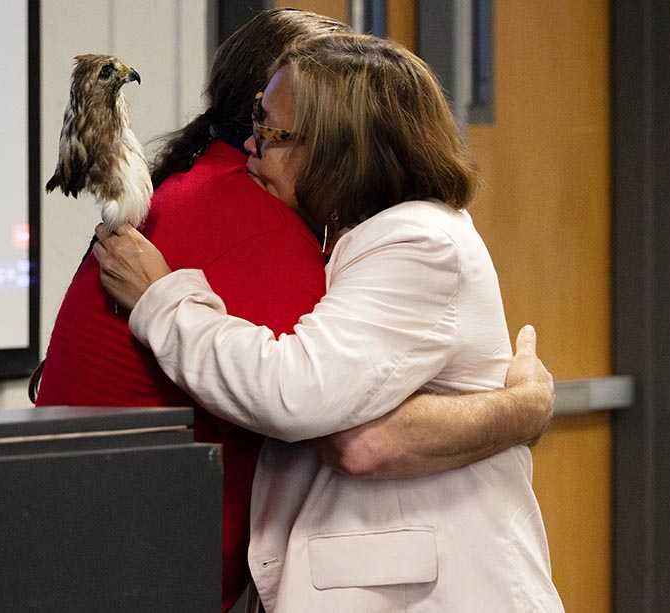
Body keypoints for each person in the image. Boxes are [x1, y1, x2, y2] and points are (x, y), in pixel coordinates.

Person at [93, 32, 563, 612]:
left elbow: (301, 397)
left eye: (272, 132)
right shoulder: (357, 233)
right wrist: (521, 409)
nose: (250, 147)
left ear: (343, 148)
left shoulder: (418, 240)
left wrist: (161, 300)